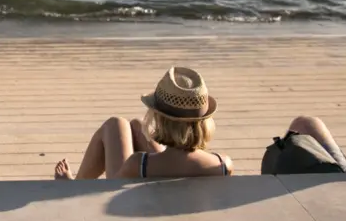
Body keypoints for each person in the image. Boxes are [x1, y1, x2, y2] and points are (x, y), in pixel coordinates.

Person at [55, 66, 232, 180]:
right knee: (137, 126)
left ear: (159, 119)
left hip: (136, 212)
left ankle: (72, 186)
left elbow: (106, 192)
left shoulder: (138, 165)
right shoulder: (223, 164)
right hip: (177, 183)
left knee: (115, 125)